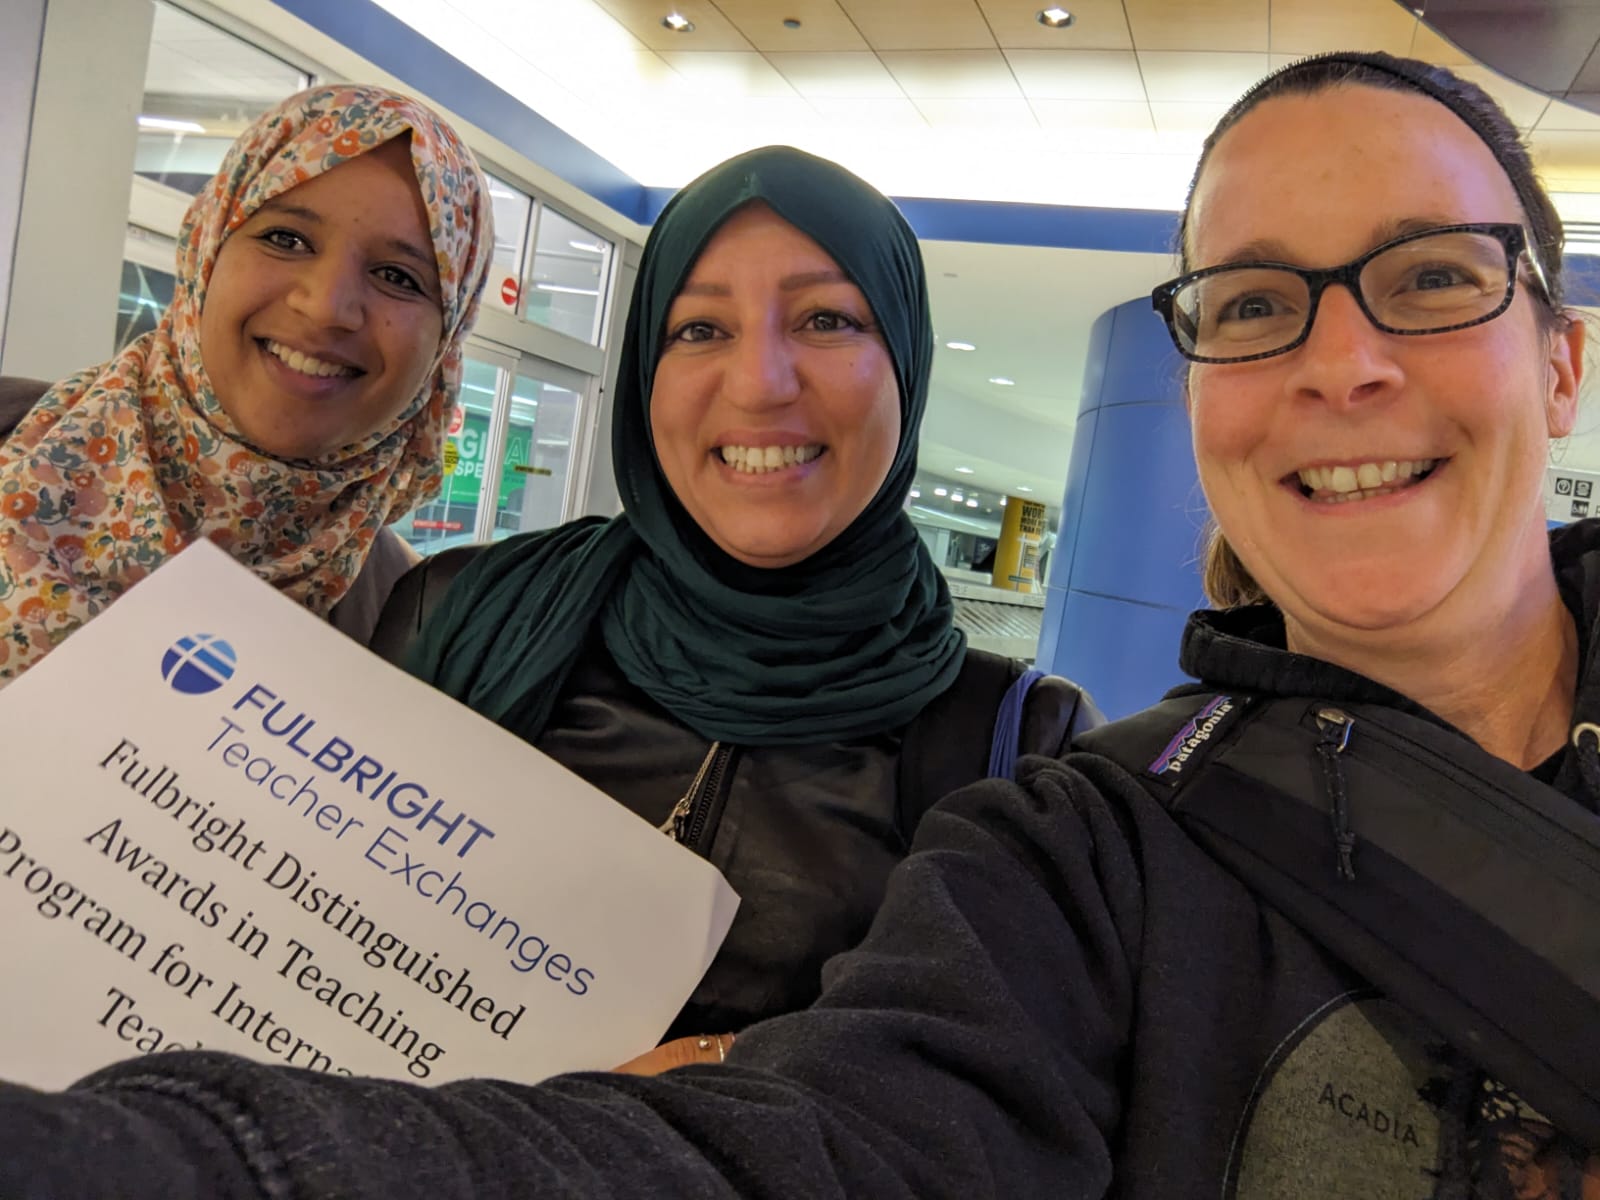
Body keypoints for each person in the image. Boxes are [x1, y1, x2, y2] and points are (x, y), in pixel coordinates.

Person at [2, 49, 1597, 1198]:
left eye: (1431, 279)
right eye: (698, 329)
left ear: (1563, 363)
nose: (1343, 366)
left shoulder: (1026, 765)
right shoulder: (1118, 839)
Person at [374, 144, 1098, 1063]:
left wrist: (721, 1086)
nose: (759, 383)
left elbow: (1013, 1098)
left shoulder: (1024, 746)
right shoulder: (457, 613)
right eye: (700, 329)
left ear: (906, 367)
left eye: (827, 319)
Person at [0, 83, 492, 677]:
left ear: (445, 342)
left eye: (397, 276)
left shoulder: (412, 625)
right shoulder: (11, 433)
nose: (326, 307)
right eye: (287, 239)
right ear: (207, 251)